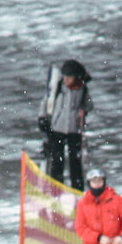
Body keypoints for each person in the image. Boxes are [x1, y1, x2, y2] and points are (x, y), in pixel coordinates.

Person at [40, 59, 91, 190]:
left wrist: (84, 110)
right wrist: (42, 118)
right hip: (57, 128)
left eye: (69, 77)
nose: (66, 80)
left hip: (74, 129)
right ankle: (56, 189)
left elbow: (89, 104)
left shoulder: (82, 89)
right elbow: (45, 102)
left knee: (75, 161)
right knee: (57, 160)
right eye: (65, 77)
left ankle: (77, 189)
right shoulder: (57, 88)